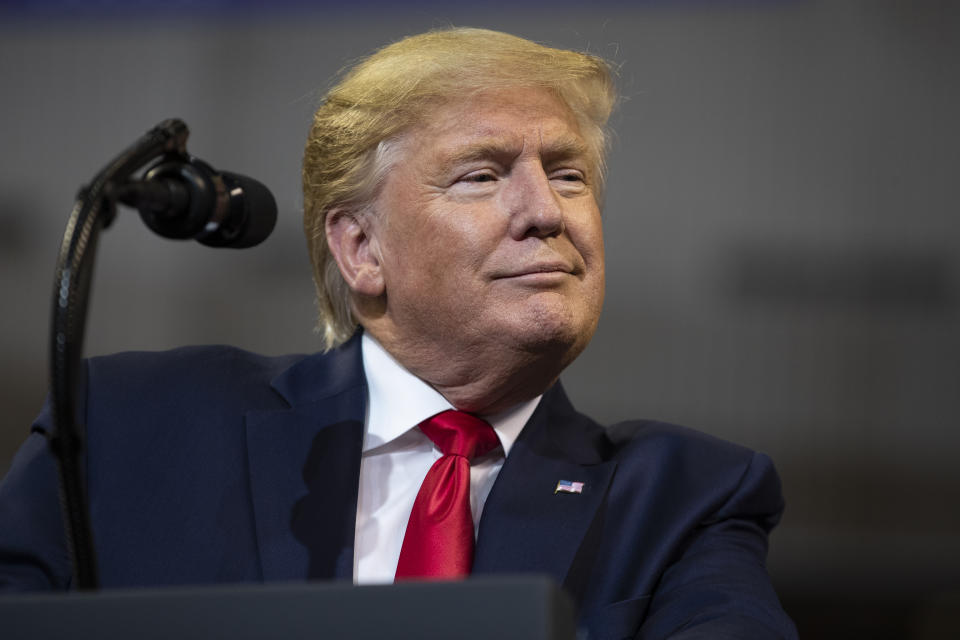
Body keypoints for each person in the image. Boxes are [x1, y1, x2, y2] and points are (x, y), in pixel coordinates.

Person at [0, 28, 797, 639]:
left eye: (568, 174)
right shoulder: (133, 423)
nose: (547, 211)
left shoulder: (683, 498)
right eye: (482, 175)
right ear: (360, 249)